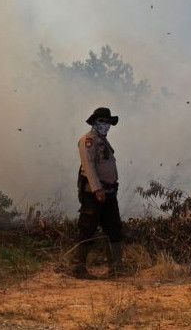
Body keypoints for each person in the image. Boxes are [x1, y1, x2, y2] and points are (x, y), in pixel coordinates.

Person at [72, 107, 123, 278]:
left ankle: (116, 267)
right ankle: (78, 268)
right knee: (88, 228)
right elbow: (89, 166)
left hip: (109, 192)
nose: (106, 125)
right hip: (94, 193)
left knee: (114, 228)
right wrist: (97, 189)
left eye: (108, 122)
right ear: (95, 122)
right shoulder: (89, 140)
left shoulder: (103, 141)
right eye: (103, 122)